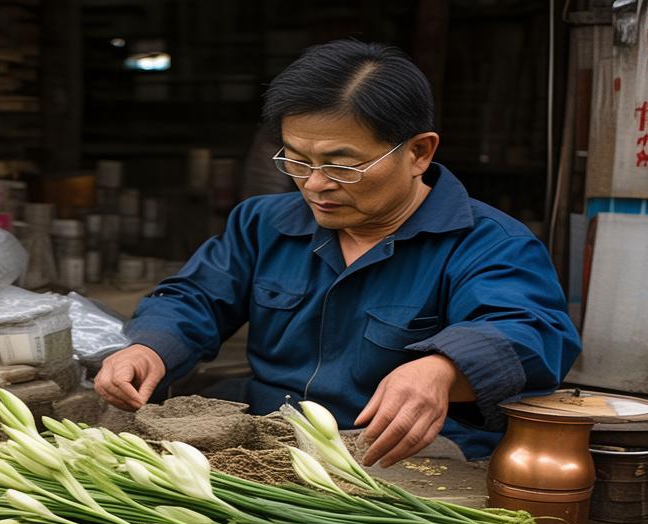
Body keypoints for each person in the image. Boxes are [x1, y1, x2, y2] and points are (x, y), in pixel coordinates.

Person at [94, 40, 581, 466]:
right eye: (297, 161)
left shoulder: (489, 242)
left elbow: (533, 331)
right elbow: (196, 297)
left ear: (419, 153)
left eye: (341, 166)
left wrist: (443, 368)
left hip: (404, 461)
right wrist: (149, 346)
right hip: (269, 448)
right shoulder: (262, 223)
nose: (316, 185)